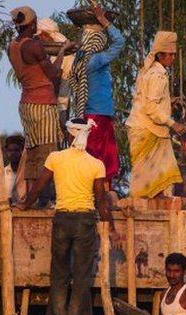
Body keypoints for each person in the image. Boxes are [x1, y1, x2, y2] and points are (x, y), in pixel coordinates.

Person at [19, 118, 121, 315]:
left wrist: (24, 205)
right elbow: (101, 202)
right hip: (85, 220)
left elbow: (38, 188)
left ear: (69, 134)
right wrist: (111, 229)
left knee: (59, 271)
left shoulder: (56, 158)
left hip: (62, 218)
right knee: (82, 273)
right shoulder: (96, 164)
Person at [7, 6, 73, 209]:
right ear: (33, 24)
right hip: (42, 103)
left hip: (26, 103)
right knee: (48, 153)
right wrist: (62, 51)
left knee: (33, 153)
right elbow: (53, 73)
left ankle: (28, 197)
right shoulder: (33, 47)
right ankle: (44, 199)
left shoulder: (12, 46)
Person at [125, 30, 186, 198]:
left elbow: (150, 98)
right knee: (147, 174)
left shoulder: (149, 70)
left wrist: (169, 100)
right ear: (161, 54)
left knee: (156, 171)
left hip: (142, 126)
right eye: (171, 54)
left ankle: (155, 198)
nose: (173, 58)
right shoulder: (157, 74)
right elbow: (152, 108)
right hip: (147, 128)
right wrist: (172, 124)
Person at [67, 6, 124, 187]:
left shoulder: (80, 58)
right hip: (98, 114)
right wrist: (104, 21)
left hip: (90, 114)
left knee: (95, 155)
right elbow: (119, 42)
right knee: (101, 158)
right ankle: (103, 194)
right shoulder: (95, 60)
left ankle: (100, 192)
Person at [35, 18, 74, 133]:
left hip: (54, 107)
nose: (38, 39)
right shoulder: (64, 49)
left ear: (46, 35)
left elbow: (55, 79)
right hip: (62, 104)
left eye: (40, 36)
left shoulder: (60, 52)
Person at [3, 134, 26, 204]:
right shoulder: (1, 174)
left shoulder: (29, 173)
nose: (13, 153)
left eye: (16, 150)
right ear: (6, 152)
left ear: (22, 152)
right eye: (10, 150)